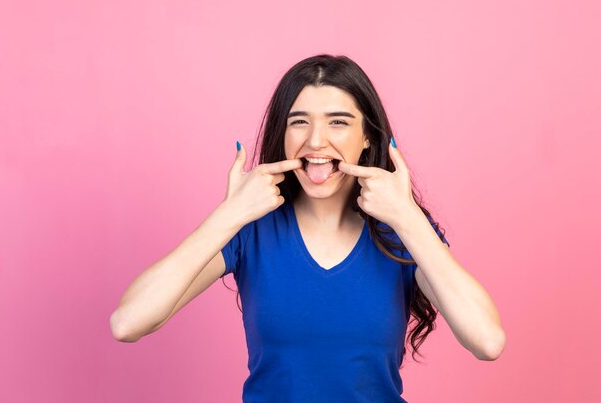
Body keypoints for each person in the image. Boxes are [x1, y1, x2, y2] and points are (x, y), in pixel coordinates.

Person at [110, 54, 506, 402]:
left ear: (366, 136)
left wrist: (406, 217)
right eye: (299, 122)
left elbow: (487, 341)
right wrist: (228, 214)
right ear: (283, 134)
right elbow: (128, 323)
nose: (316, 141)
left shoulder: (401, 233)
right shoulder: (251, 230)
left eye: (338, 122)